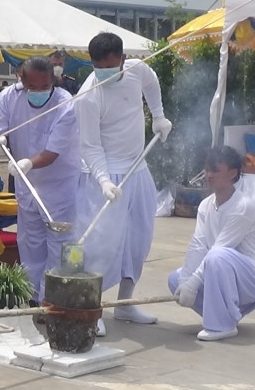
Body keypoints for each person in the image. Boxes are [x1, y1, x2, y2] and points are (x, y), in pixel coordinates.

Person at [75, 32, 173, 336]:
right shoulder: (89, 96)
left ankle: (125, 304)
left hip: (138, 168)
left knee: (138, 238)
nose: (103, 72)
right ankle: (91, 308)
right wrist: (104, 181)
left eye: (109, 66)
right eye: (97, 67)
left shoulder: (136, 70)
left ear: (121, 59)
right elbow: (89, 146)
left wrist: (159, 116)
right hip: (104, 175)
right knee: (101, 244)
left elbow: (152, 81)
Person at [0, 56, 80, 303]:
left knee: (60, 243)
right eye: (32, 87)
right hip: (26, 183)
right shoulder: (9, 96)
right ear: (21, 79)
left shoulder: (66, 104)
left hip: (59, 183)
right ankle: (33, 297)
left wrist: (28, 163)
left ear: (55, 81)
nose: (38, 92)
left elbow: (51, 153)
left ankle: (57, 299)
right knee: (30, 242)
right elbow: (1, 132)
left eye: (44, 87)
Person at [168, 146, 255, 341]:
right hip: (222, 271)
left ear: (233, 173)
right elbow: (198, 246)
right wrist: (186, 281)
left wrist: (194, 284)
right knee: (176, 279)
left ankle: (222, 325)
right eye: (207, 170)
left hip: (254, 278)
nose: (209, 175)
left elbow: (219, 250)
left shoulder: (242, 206)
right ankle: (225, 313)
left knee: (218, 256)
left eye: (216, 170)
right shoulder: (205, 205)